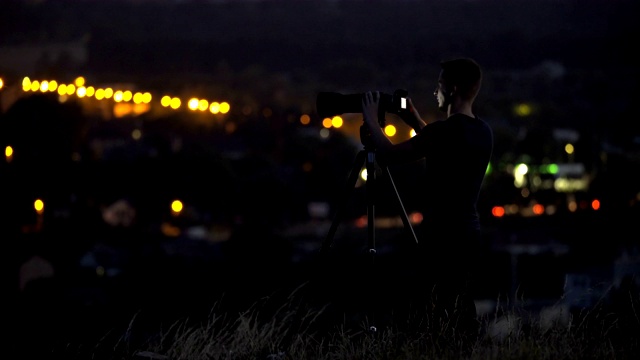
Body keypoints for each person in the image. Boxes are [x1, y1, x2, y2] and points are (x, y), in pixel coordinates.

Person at [361, 57, 493, 341]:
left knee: (432, 307)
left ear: (453, 89)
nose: (436, 90)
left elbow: (388, 156)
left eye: (440, 84)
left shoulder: (442, 132)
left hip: (441, 236)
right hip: (470, 234)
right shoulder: (483, 132)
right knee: (460, 305)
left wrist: (371, 119)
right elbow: (445, 146)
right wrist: (416, 121)